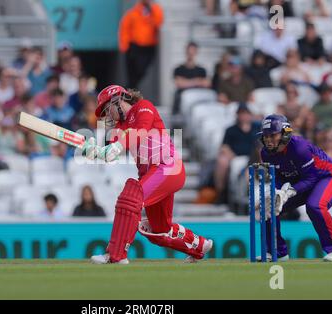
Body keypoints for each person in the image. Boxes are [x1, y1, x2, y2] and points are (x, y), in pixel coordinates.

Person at [84, 84, 213, 264]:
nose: (108, 116)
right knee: (158, 231)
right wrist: (95, 151)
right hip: (153, 175)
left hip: (167, 168)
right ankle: (199, 246)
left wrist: (116, 147)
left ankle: (115, 255)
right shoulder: (120, 127)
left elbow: (140, 131)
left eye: (107, 109)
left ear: (117, 100)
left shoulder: (144, 107)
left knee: (130, 198)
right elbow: (112, 151)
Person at [258, 114, 332, 262]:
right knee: (269, 208)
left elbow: (311, 178)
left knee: (315, 206)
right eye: (266, 136)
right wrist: (277, 192)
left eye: (272, 135)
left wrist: (289, 191)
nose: (268, 140)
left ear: (284, 134)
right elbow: (279, 176)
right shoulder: (265, 154)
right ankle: (277, 252)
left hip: (328, 177)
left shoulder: (299, 148)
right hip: (301, 182)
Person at [214, 103, 259, 203]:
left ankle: (249, 197)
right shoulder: (231, 130)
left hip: (254, 157)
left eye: (246, 113)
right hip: (236, 156)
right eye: (241, 113)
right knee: (222, 161)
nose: (244, 116)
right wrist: (232, 156)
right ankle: (221, 192)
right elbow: (224, 147)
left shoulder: (257, 127)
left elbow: (262, 144)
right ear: (237, 115)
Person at [119, 0, 164, 88]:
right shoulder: (133, 12)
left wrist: (152, 7)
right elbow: (125, 28)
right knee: (132, 73)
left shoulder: (154, 10)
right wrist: (125, 46)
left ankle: (130, 88)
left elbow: (159, 22)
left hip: (148, 47)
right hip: (134, 47)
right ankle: (131, 89)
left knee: (141, 71)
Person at [172, 42, 211, 114]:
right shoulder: (179, 69)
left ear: (196, 52)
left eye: (193, 51)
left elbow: (207, 83)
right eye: (189, 51)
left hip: (197, 96)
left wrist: (187, 82)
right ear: (186, 51)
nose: (190, 53)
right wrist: (197, 81)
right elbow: (179, 83)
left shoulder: (201, 70)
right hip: (183, 97)